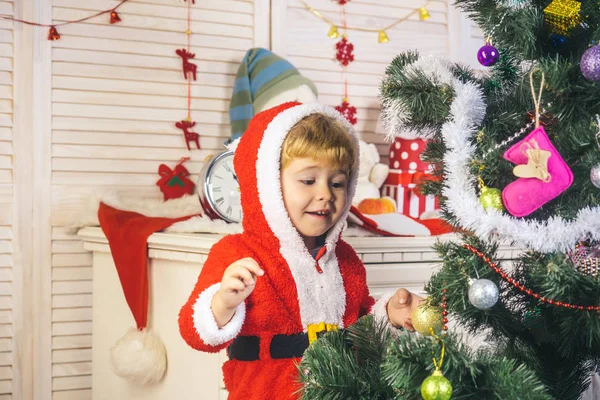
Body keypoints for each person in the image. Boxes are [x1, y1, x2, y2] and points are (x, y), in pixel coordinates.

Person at [179, 102, 423, 400]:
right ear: (267, 186)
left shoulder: (345, 260)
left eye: (337, 183)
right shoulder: (236, 253)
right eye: (308, 181)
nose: (325, 194)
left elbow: (360, 330)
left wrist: (388, 314)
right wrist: (223, 304)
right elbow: (196, 334)